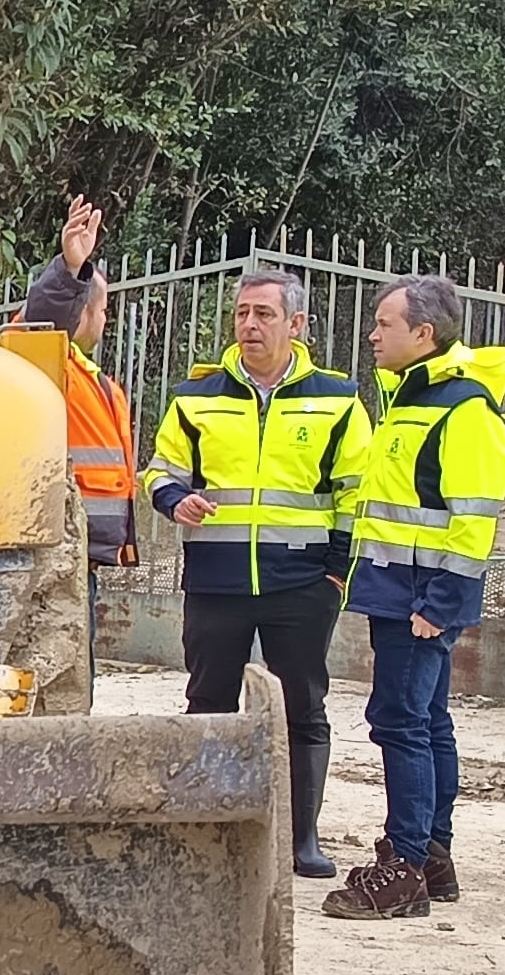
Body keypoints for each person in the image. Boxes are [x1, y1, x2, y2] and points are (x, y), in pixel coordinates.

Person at [147, 258, 370, 878]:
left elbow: (357, 493)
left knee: (302, 707)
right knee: (209, 701)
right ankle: (206, 832)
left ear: (295, 324)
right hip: (216, 581)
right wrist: (173, 498)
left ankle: (301, 841)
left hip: (302, 584)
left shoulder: (339, 399)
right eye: (243, 313)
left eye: (264, 314)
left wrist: (336, 574)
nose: (249, 325)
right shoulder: (196, 397)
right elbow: (162, 469)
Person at [322, 277, 505, 921]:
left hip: (419, 598)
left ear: (423, 334)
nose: (373, 335)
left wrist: (442, 601)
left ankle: (403, 867)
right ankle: (429, 856)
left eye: (385, 323)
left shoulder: (462, 409)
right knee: (425, 721)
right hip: (401, 590)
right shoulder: (413, 399)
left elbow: (473, 516)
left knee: (402, 722)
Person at [1, 195, 139, 567]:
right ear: (85, 310)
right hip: (53, 552)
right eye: (104, 310)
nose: (105, 320)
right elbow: (39, 323)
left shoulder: (95, 381)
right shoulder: (49, 365)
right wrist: (71, 269)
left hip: (84, 553)